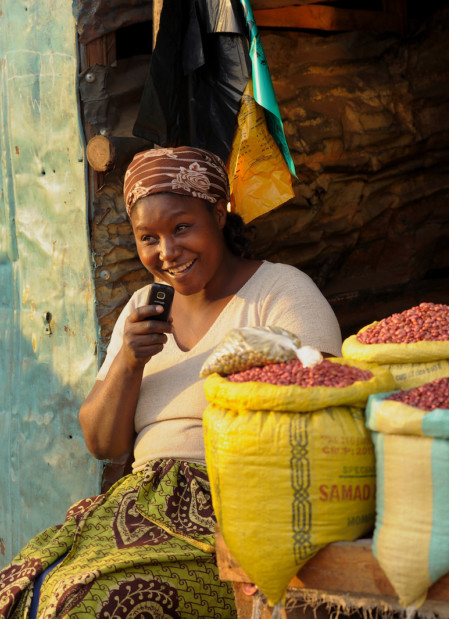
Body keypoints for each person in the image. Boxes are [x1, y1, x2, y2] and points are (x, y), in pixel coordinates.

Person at [0, 146, 343, 618]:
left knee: (92, 606)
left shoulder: (280, 293)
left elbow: (325, 404)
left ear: (219, 215)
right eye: (148, 238)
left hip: (227, 516)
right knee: (24, 592)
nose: (167, 253)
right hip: (138, 508)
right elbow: (102, 441)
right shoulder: (144, 307)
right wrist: (128, 360)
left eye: (182, 228)